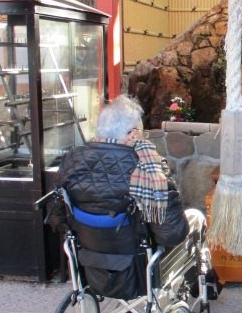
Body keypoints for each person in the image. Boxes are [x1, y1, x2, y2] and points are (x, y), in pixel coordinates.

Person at [56, 94, 189, 247]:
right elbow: (172, 234)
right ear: (133, 135)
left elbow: (57, 217)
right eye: (143, 133)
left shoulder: (71, 161)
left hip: (87, 257)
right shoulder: (149, 166)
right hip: (137, 258)